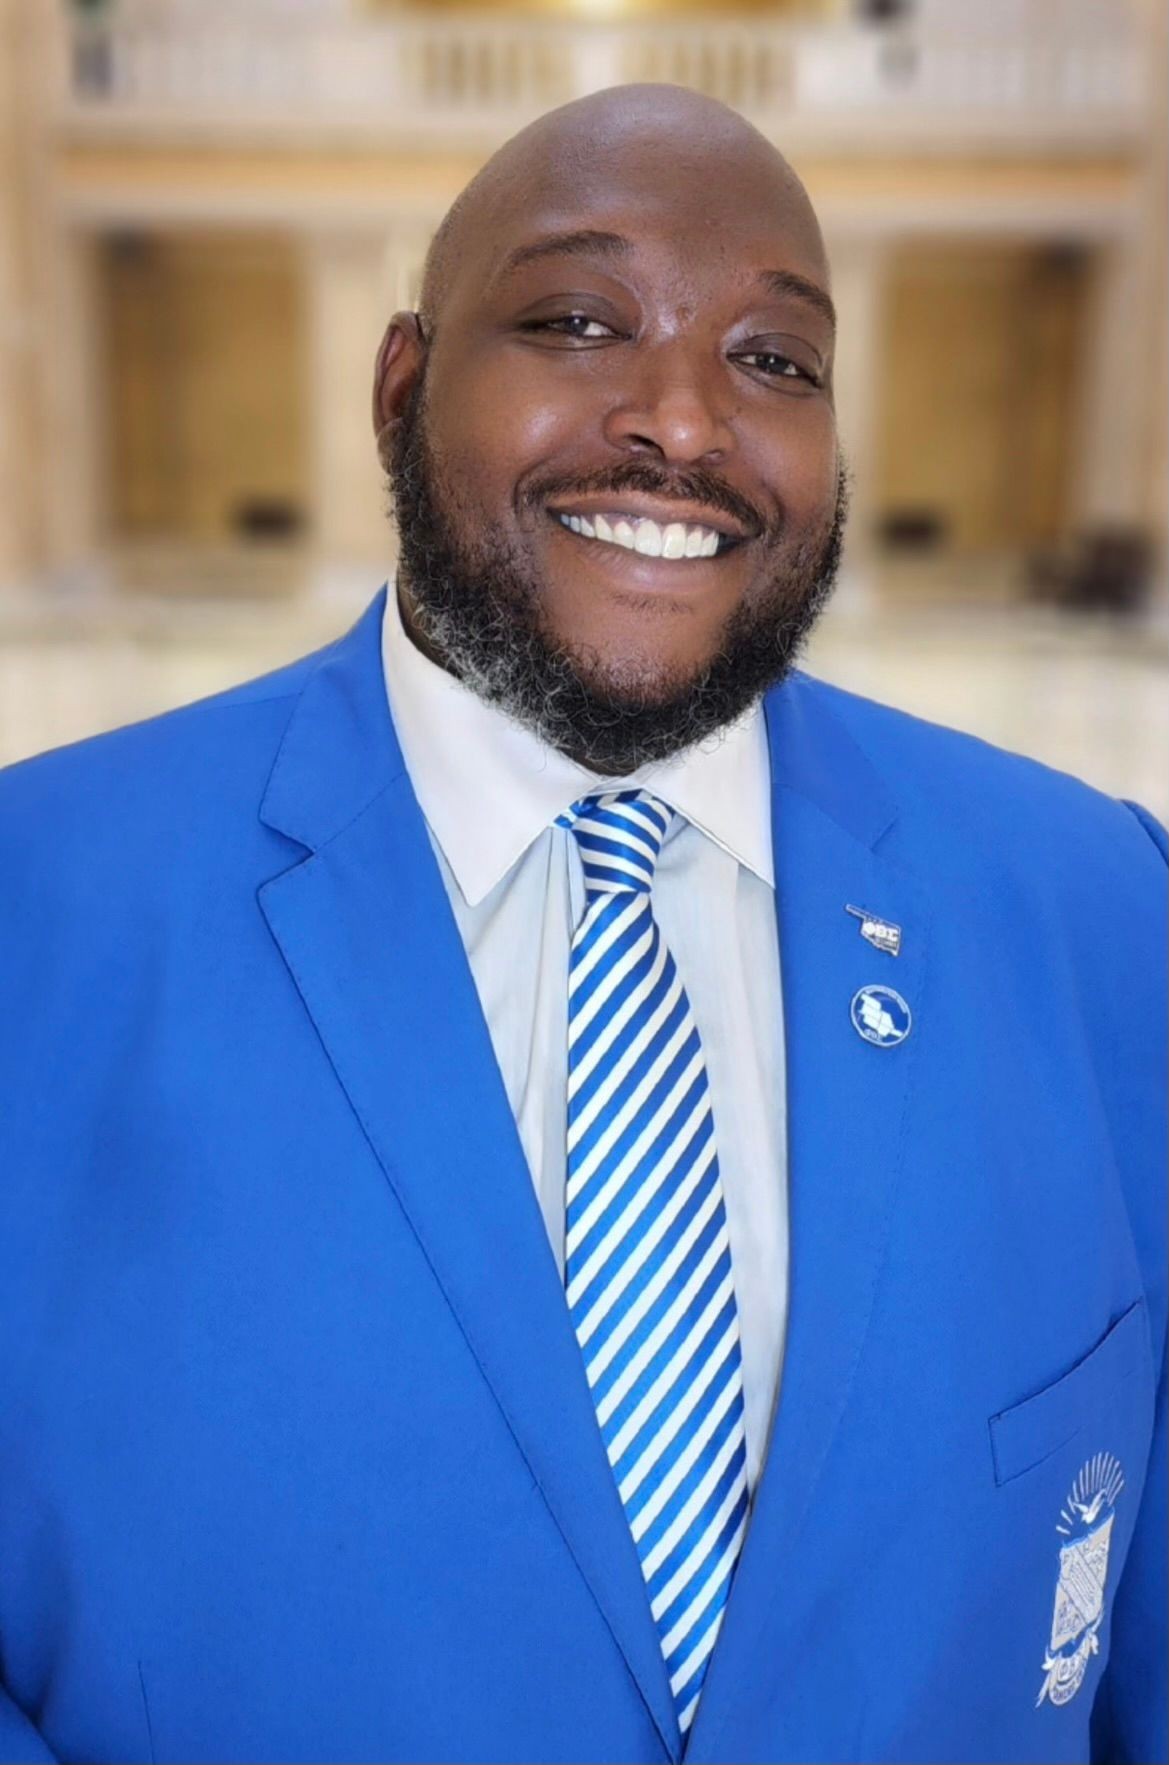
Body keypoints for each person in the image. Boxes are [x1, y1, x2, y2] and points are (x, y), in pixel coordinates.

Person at [0, 83, 1164, 1765]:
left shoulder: (1106, 913)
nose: (681, 425)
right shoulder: (35, 915)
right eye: (573, 320)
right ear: (402, 386)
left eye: (774, 360)